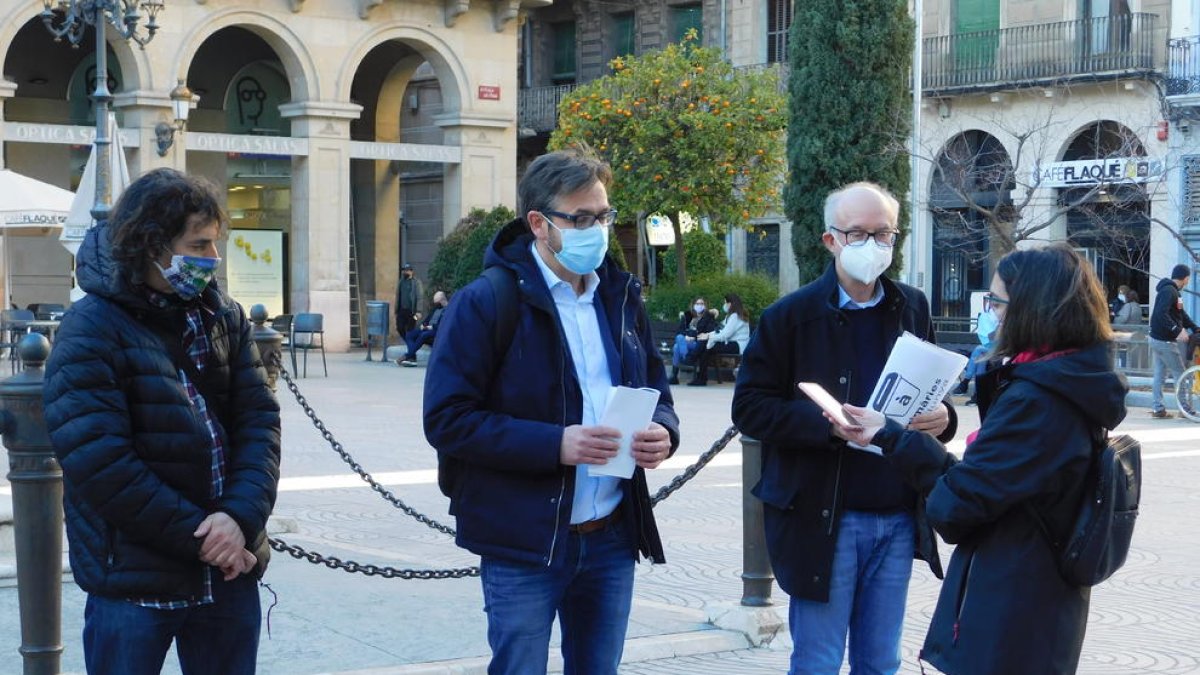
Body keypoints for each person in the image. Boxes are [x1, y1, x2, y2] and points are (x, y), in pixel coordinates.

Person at [423, 149, 679, 675]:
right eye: (580, 218)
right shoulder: (487, 301)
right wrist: (555, 444)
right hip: (523, 539)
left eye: (604, 216)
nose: (597, 229)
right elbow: (447, 419)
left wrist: (664, 432)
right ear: (539, 224)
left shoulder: (622, 296)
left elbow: (656, 386)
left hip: (610, 533)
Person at [826, 244, 1127, 675]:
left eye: (997, 302)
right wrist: (894, 435)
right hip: (1032, 603)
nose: (992, 313)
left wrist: (896, 440)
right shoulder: (1070, 382)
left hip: (1010, 612)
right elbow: (986, 483)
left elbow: (957, 505)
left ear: (1030, 309)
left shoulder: (1038, 401)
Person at [43, 168, 281, 674]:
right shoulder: (90, 329)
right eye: (199, 245)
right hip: (137, 581)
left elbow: (259, 420)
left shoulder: (223, 315)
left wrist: (238, 519)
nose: (211, 260)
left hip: (228, 573)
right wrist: (207, 537)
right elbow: (99, 461)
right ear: (152, 244)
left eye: (214, 245)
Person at [731, 181, 956, 675]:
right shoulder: (789, 317)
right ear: (830, 239)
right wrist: (827, 424)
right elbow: (749, 408)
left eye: (883, 234)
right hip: (823, 517)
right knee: (818, 660)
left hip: (897, 515)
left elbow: (935, 392)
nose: (872, 245)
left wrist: (944, 418)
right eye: (858, 234)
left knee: (881, 661)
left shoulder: (912, 306)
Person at [1149, 264, 1196, 418]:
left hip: (1157, 339)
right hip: (1164, 341)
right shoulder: (1169, 292)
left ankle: (1158, 409)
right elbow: (1160, 314)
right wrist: (1177, 330)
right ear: (1186, 278)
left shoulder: (1176, 294)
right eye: (1188, 279)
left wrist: (1195, 328)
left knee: (1160, 374)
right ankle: (1185, 410)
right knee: (1181, 374)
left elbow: (1181, 314)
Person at [687, 293, 751, 386]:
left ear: (730, 304)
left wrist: (708, 337)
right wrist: (708, 334)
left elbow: (725, 335)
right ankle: (701, 377)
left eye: (725, 302)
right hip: (730, 343)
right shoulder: (730, 316)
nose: (724, 305)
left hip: (737, 345)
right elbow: (719, 330)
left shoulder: (735, 316)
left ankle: (693, 362)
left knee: (705, 344)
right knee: (705, 346)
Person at [952, 295, 1000, 404]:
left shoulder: (1004, 315)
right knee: (981, 358)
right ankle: (977, 395)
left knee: (979, 350)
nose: (992, 303)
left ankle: (965, 382)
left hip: (1003, 349)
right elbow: (989, 336)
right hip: (990, 349)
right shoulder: (988, 314)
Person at [669, 296, 717, 384]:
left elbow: (708, 331)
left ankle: (675, 374)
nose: (699, 305)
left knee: (677, 345)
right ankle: (685, 358)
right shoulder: (687, 315)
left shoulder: (708, 316)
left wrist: (692, 336)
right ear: (693, 305)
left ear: (705, 305)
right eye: (697, 304)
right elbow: (680, 330)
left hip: (697, 343)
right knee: (678, 341)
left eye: (702, 304)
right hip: (685, 342)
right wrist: (686, 336)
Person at [397, 290, 448, 366]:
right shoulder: (435, 308)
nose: (435, 305)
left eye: (437, 303)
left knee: (423, 335)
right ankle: (412, 357)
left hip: (436, 331)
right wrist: (423, 324)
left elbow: (445, 325)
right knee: (410, 334)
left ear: (442, 300)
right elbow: (427, 319)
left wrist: (431, 327)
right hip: (427, 329)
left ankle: (408, 356)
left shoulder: (449, 310)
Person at [395, 262, 424, 335]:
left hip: (412, 312)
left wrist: (419, 311)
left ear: (411, 271)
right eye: (404, 270)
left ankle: (409, 343)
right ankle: (407, 341)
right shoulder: (401, 281)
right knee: (399, 328)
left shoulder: (416, 282)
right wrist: (396, 310)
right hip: (401, 311)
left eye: (407, 270)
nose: (405, 272)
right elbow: (398, 295)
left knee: (410, 328)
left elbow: (420, 297)